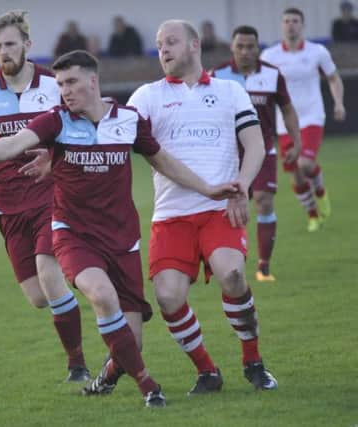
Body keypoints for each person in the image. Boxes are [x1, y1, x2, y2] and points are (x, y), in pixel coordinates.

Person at [0, 49, 242, 407]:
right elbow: (19, 140)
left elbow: (162, 160)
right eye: (61, 83)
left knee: (132, 341)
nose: (64, 90)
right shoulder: (56, 121)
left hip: (122, 239)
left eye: (72, 82)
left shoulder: (127, 120)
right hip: (73, 235)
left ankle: (106, 378)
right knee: (101, 295)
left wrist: (208, 189)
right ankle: (150, 387)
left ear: (93, 81)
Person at [83, 19, 275, 396]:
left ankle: (253, 360)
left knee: (232, 276)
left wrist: (242, 188)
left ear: (194, 45)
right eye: (158, 44)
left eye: (171, 41)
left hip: (220, 207)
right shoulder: (147, 97)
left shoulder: (229, 91)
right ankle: (207, 371)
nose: (163, 49)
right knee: (169, 296)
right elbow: (107, 132)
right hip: (171, 214)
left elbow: (254, 144)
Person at [0, 11, 90, 383]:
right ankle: (88, 284)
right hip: (7, 203)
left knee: (49, 274)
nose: (3, 51)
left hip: (53, 194)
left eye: (10, 44)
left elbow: (82, 127)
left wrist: (53, 157)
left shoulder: (54, 84)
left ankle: (77, 364)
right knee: (38, 296)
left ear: (28, 46)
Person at [211, 25, 302, 282]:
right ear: (232, 47)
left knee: (263, 200)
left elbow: (287, 109)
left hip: (263, 151)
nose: (245, 51)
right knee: (226, 208)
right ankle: (227, 261)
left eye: (250, 46)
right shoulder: (217, 75)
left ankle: (263, 266)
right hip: (228, 154)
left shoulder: (272, 75)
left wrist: (295, 142)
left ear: (258, 47)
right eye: (240, 46)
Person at [261, 8, 346, 232]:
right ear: (282, 25)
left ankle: (321, 192)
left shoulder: (317, 51)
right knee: (297, 176)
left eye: (295, 21)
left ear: (302, 25)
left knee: (305, 164)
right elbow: (259, 83)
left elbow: (334, 78)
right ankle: (312, 216)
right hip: (284, 122)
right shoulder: (269, 56)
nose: (291, 25)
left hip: (311, 116)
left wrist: (338, 103)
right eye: (287, 21)